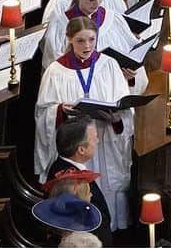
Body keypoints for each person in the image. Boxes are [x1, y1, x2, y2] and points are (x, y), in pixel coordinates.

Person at [35, 16, 141, 230]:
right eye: (81, 41)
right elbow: (42, 113)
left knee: (106, 194)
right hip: (75, 146)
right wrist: (60, 111)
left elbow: (125, 107)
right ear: (70, 39)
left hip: (104, 140)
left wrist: (117, 119)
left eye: (92, 40)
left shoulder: (109, 65)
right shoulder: (56, 71)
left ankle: (107, 228)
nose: (87, 46)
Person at [47, 114, 114, 245]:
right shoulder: (69, 180)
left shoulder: (62, 166)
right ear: (81, 149)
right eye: (94, 139)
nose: (98, 141)